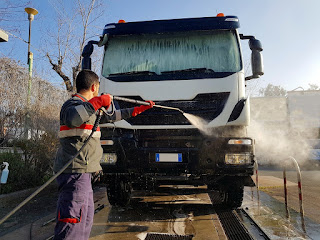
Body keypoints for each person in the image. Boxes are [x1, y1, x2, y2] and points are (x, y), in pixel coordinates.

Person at [53, 69, 154, 240]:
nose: (98, 92)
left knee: (84, 222)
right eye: (98, 90)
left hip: (84, 176)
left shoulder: (89, 109)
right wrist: (97, 102)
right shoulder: (72, 105)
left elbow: (112, 116)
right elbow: (72, 119)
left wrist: (137, 110)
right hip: (74, 174)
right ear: (94, 87)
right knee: (72, 224)